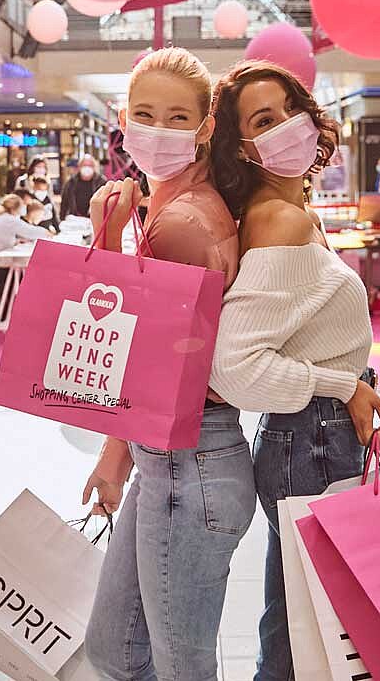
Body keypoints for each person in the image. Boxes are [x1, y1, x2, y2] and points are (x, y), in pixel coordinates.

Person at [207, 60, 380, 681]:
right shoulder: (279, 219)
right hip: (313, 436)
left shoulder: (293, 209)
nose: (287, 126)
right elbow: (236, 367)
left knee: (306, 615)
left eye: (291, 109)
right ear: (242, 147)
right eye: (265, 120)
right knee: (308, 623)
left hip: (316, 436)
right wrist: (344, 386)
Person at [81, 48, 256, 679]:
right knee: (116, 649)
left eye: (178, 116)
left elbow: (142, 362)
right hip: (175, 457)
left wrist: (103, 243)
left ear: (205, 127)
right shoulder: (165, 205)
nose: (158, 130)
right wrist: (119, 461)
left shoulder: (181, 220)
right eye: (146, 114)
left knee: (177, 666)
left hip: (190, 460)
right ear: (123, 119)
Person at [0, 195, 47, 318]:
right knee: (16, 274)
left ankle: (1, 305)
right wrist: (48, 233)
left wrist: (14, 242)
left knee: (11, 272)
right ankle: (5, 310)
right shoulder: (9, 220)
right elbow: (30, 231)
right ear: (16, 209)